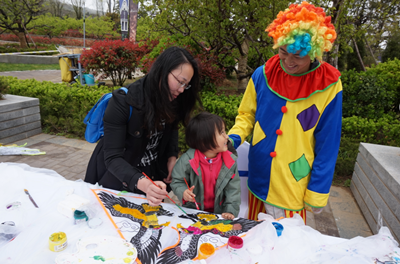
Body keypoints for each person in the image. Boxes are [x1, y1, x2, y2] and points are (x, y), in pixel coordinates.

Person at [228, 1, 342, 221]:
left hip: (293, 185)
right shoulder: (262, 74)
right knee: (253, 242)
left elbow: (329, 142)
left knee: (286, 248)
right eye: (283, 52)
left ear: (314, 52)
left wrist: (317, 191)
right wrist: (233, 137)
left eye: (297, 56)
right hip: (259, 176)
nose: (288, 61)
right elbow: (246, 115)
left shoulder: (329, 86)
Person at [84, 46, 202, 206]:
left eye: (186, 85)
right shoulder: (123, 102)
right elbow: (112, 158)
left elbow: (172, 129)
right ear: (162, 71)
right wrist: (145, 184)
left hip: (153, 175)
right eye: (180, 82)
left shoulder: (173, 99)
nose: (182, 90)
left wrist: (171, 157)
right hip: (120, 178)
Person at [171, 112, 241, 220]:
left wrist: (230, 210)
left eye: (224, 131)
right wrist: (184, 192)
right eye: (221, 133)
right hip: (193, 212)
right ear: (204, 141)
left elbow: (233, 190)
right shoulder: (188, 160)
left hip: (219, 214)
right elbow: (177, 180)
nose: (226, 136)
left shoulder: (229, 161)